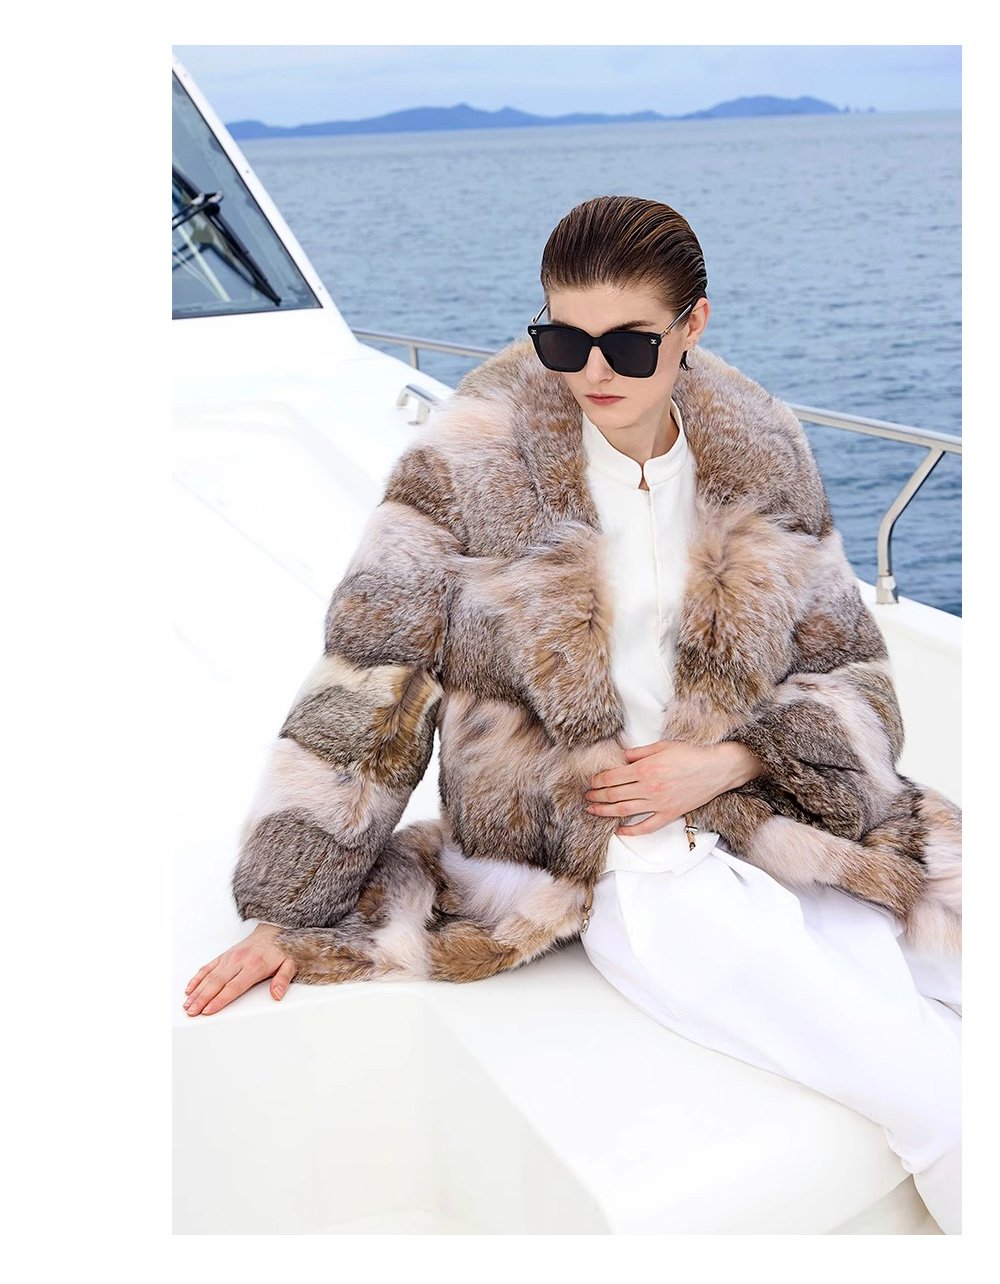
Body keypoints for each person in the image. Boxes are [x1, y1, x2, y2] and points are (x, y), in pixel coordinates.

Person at [183, 196, 962, 1233]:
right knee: (940, 1100)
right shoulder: (467, 467)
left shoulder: (760, 451)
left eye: (629, 344)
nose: (592, 370)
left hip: (774, 813)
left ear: (692, 326)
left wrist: (734, 760)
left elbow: (846, 665)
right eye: (562, 339)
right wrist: (299, 902)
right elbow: (371, 680)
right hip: (620, 861)